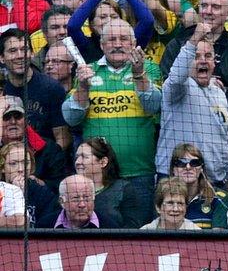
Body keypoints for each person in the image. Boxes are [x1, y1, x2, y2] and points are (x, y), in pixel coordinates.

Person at [61, 19, 160, 225]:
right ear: (101, 45)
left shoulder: (148, 68)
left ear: (134, 43)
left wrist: (139, 74)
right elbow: (70, 118)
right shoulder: (87, 71)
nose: (117, 44)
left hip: (139, 172)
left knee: (140, 240)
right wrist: (83, 89)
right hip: (97, 179)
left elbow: (154, 106)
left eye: (124, 39)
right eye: (111, 39)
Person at [159, 22, 228, 189]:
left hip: (214, 181)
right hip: (176, 181)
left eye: (208, 56)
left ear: (215, 62)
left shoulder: (219, 92)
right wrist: (193, 41)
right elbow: (177, 75)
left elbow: (223, 137)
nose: (202, 61)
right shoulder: (178, 88)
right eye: (196, 56)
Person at [0, 29, 70, 150]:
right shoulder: (2, 92)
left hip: (46, 162)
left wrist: (46, 162)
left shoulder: (51, 88)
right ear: (2, 58)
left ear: (32, 53)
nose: (20, 55)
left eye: (24, 49)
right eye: (12, 51)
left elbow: (63, 138)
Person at [74, 137, 145, 228]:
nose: (77, 162)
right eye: (77, 157)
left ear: (103, 162)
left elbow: (132, 226)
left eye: (84, 157)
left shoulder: (123, 189)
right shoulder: (69, 189)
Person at [169, 144, 228, 229]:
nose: (188, 167)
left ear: (201, 168)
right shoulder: (165, 199)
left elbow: (218, 238)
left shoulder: (219, 197)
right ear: (173, 169)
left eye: (194, 163)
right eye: (181, 163)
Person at [0, 143, 54, 226]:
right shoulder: (1, 189)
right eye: (13, 164)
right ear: (3, 167)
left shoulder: (42, 192)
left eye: (25, 163)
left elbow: (47, 225)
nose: (21, 169)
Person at [43, 174, 119, 229]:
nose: (82, 205)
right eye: (75, 199)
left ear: (93, 198)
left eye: (86, 198)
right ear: (62, 202)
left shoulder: (110, 227)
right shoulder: (45, 226)